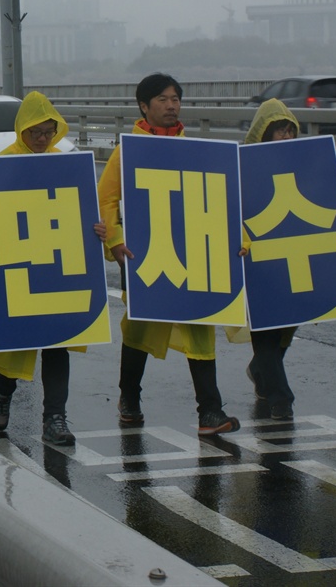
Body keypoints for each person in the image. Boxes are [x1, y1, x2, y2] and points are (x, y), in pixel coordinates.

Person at [99, 73, 240, 436]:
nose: (172, 104)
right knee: (140, 329)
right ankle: (129, 398)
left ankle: (210, 411)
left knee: (200, 328)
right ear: (144, 106)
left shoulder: (193, 148)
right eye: (162, 99)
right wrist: (114, 241)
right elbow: (106, 198)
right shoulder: (129, 150)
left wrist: (237, 238)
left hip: (193, 253)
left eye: (176, 98)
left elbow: (222, 198)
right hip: (148, 255)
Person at [0, 92, 107, 445]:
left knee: (59, 341)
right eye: (36, 132)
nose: (43, 139)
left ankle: (55, 419)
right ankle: (2, 388)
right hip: (19, 268)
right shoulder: (1, 164)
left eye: (48, 132)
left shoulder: (65, 164)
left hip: (57, 265)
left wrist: (98, 230)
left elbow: (85, 211)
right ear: (22, 131)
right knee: (16, 345)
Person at [240, 99, 303, 420]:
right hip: (257, 262)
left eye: (291, 130)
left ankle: (260, 371)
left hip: (292, 258)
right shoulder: (241, 165)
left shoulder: (303, 163)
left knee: (288, 325)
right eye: (280, 130)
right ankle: (281, 399)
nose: (287, 137)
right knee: (264, 327)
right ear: (264, 132)